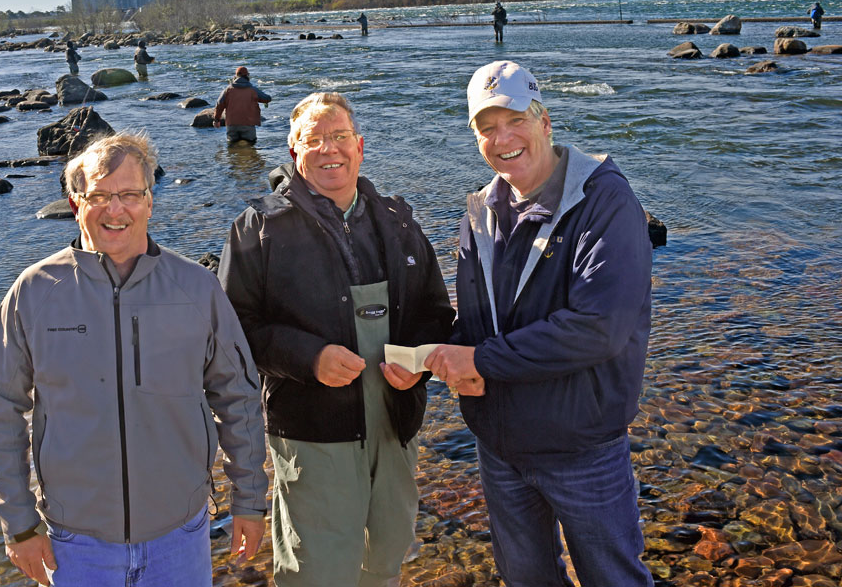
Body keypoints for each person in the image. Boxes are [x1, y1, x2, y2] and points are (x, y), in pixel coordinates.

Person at [0, 131, 268, 587]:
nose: (116, 210)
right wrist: (19, 524)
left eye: (130, 194)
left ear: (150, 202)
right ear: (75, 204)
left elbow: (240, 398)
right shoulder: (34, 292)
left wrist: (251, 501)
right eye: (99, 196)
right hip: (75, 542)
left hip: (181, 535)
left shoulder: (195, 289)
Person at [425, 60, 654, 587]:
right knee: (525, 578)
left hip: (582, 446)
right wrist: (430, 358)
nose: (502, 138)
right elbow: (478, 325)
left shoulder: (606, 202)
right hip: (501, 446)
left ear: (545, 121)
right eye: (486, 128)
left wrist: (480, 361)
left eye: (514, 121)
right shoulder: (480, 211)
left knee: (612, 578)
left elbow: (599, 327)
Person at [219, 92, 454, 586]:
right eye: (315, 139)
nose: (330, 150)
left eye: (340, 137)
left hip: (396, 425)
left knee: (386, 557)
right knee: (317, 571)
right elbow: (234, 330)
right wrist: (310, 358)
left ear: (360, 146)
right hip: (312, 434)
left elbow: (436, 312)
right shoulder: (258, 228)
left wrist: (421, 362)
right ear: (293, 152)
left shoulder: (399, 222)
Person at [213, 66, 271, 145]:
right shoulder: (252, 89)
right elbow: (267, 98)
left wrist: (217, 120)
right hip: (248, 125)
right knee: (251, 146)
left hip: (231, 125)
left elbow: (219, 105)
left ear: (235, 76)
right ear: (247, 76)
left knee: (232, 147)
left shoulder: (227, 90)